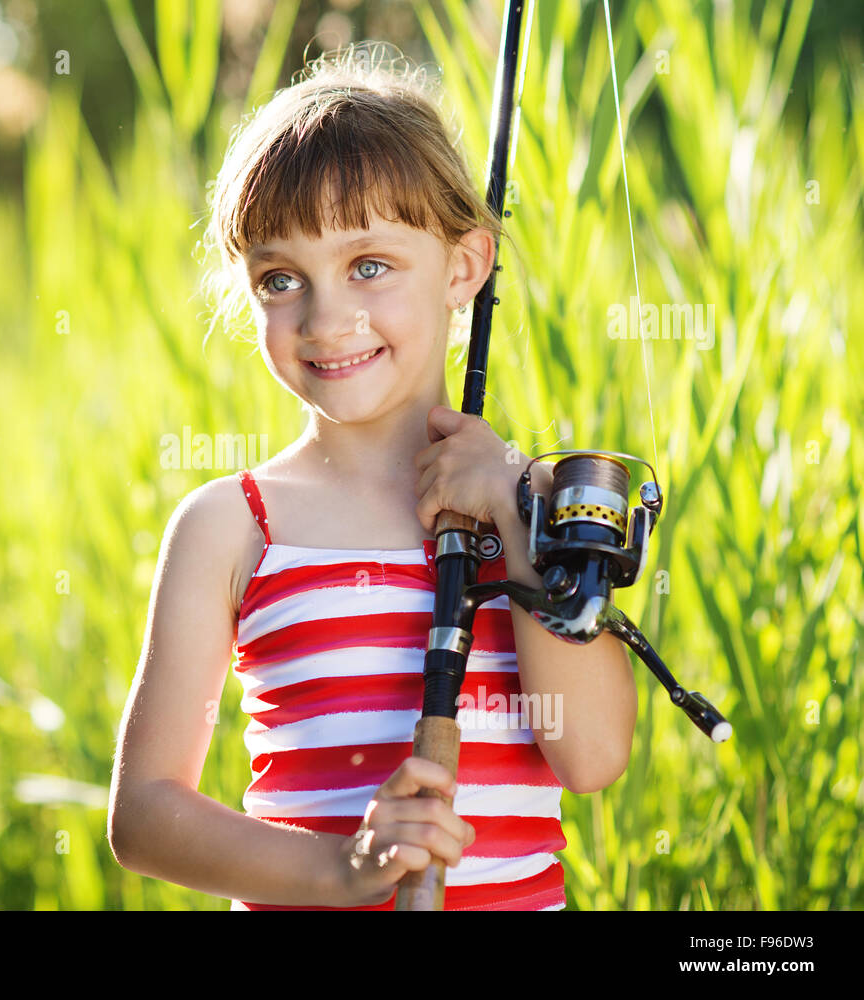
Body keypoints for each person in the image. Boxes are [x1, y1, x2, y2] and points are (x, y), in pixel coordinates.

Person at [107, 43, 637, 911]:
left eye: (369, 265)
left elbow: (593, 756)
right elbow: (146, 816)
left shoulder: (536, 512)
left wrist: (510, 501)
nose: (326, 317)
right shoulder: (230, 527)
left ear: (465, 266)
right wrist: (343, 871)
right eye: (282, 278)